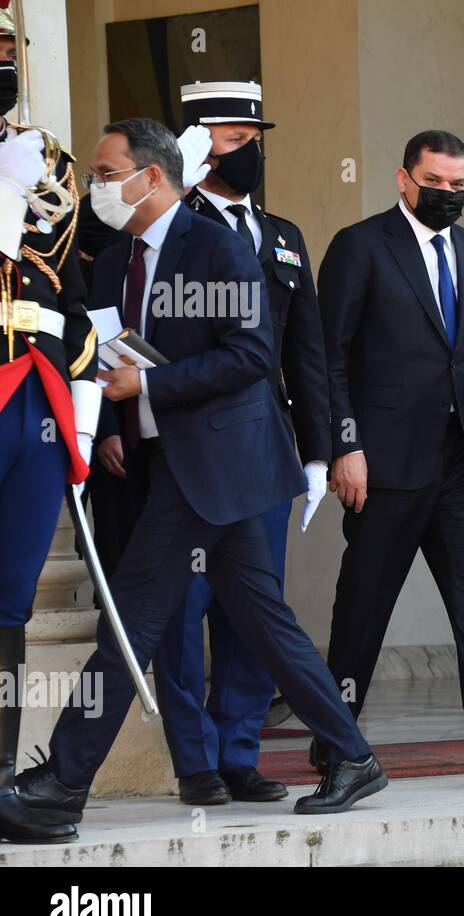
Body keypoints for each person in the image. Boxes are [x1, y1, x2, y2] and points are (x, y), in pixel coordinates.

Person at [15, 118, 386, 821]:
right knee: (264, 625)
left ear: (152, 177)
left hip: (221, 463)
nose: (97, 187)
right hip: (176, 467)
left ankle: (62, 785)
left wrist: (148, 389)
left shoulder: (215, 246)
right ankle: (356, 757)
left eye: (104, 172)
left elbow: (251, 355)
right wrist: (118, 420)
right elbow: (113, 350)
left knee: (129, 619)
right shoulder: (116, 260)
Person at [319, 129, 464, 787]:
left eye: (458, 186)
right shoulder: (360, 246)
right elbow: (328, 358)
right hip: (383, 464)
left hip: (459, 465)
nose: (447, 195)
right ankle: (335, 743)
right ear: (403, 179)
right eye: (435, 183)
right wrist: (345, 445)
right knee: (363, 609)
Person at [131, 80, 330, 807]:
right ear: (192, 145)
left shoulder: (283, 237)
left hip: (258, 448)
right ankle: (197, 762)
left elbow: (305, 354)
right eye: (231, 139)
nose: (248, 152)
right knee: (181, 609)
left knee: (254, 608)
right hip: (180, 444)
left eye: (253, 140)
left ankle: (240, 752)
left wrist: (317, 450)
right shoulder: (164, 228)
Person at [0, 35, 98, 844]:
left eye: (6, 46)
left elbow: (69, 275)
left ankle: (0, 779)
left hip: (32, 393)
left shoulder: (49, 159)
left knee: (11, 597)